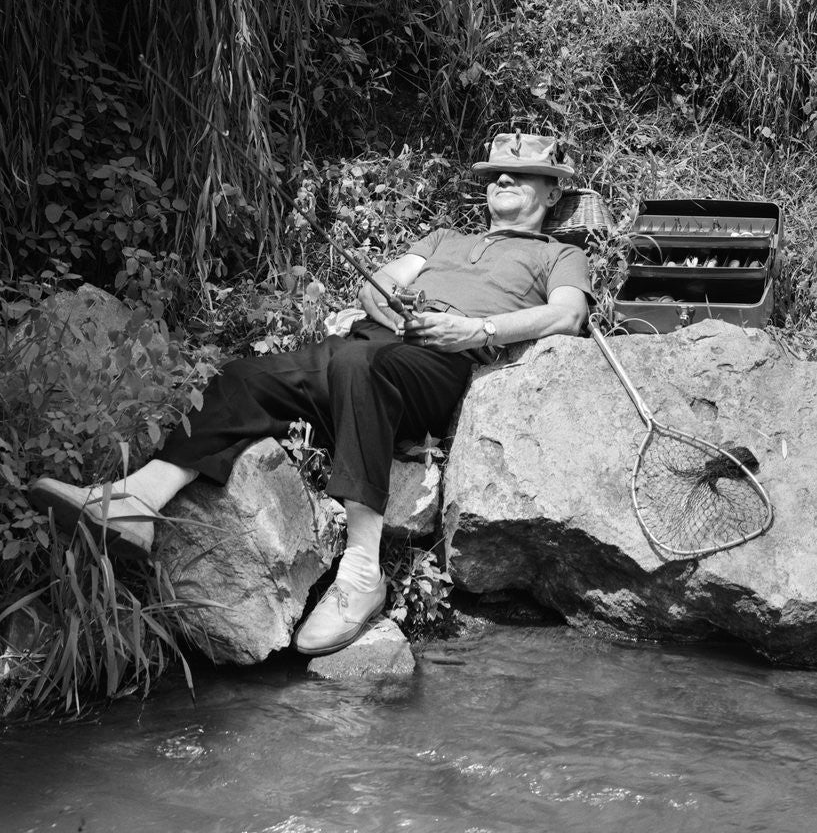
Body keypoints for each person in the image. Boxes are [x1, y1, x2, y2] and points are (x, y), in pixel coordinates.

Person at [28, 133, 593, 655]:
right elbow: (384, 281)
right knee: (243, 376)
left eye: (517, 174)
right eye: (495, 173)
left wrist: (478, 331)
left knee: (356, 365)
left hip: (437, 364)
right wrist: (388, 307)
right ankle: (137, 498)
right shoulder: (446, 237)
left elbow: (568, 316)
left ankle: (362, 574)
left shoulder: (559, 254)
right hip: (370, 348)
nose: (500, 181)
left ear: (552, 189)